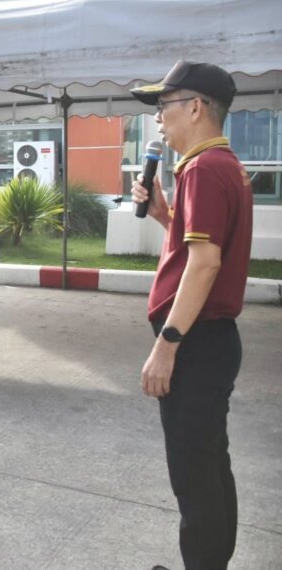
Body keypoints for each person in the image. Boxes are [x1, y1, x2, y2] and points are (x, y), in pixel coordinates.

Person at [129, 61, 251, 570]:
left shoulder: (202, 169)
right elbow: (199, 248)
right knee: (210, 464)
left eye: (164, 106)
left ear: (196, 107)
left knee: (194, 475)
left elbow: (205, 265)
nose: (159, 118)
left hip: (196, 342)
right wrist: (163, 215)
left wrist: (167, 345)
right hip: (212, 339)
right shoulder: (222, 165)